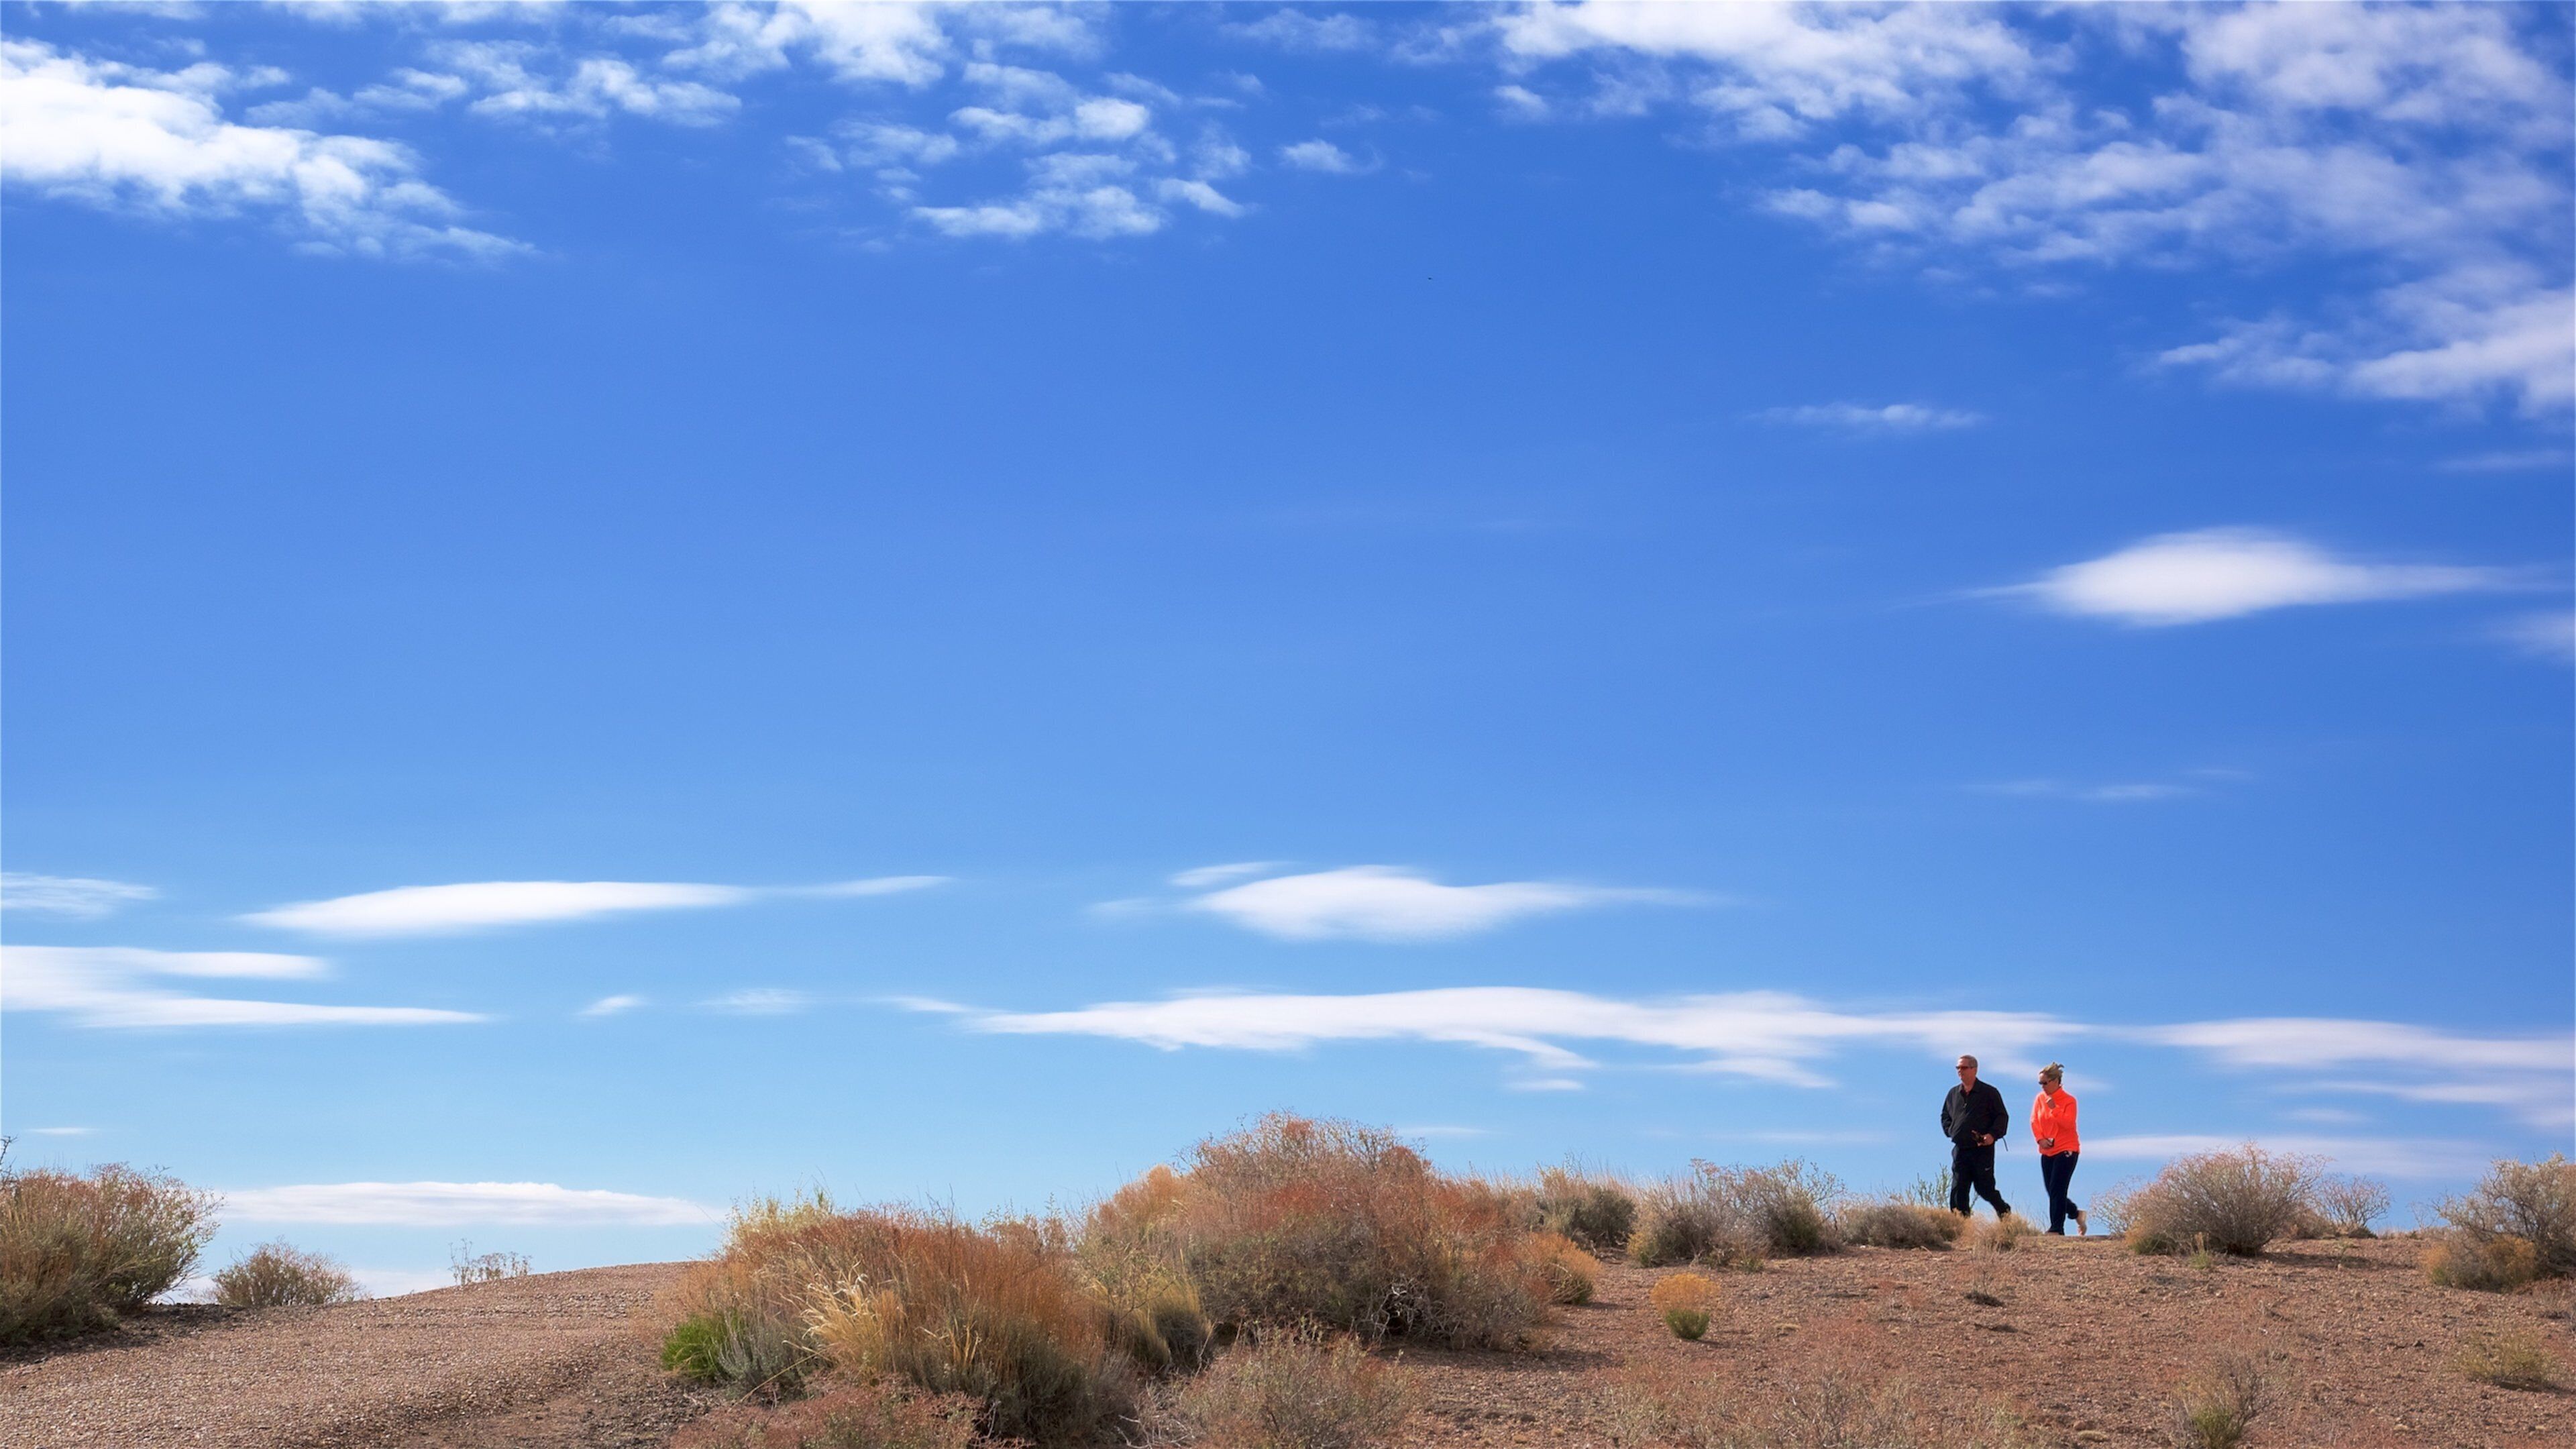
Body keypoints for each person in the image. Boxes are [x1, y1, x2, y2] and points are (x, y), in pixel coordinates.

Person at [1940, 1054, 2012, 1218]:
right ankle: (1961, 1225)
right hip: (1961, 1149)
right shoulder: (1953, 1093)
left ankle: (2004, 1213)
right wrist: (1951, 1131)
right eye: (1958, 1068)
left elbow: (2002, 1117)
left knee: (1984, 1188)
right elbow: (1945, 1116)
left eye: (1964, 1068)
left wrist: (1992, 1135)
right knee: (1958, 1188)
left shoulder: (1989, 1093)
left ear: (1974, 1069)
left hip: (1982, 1150)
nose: (1960, 1071)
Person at [2031, 1062, 2086, 1236]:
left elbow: (2068, 1124)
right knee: (2052, 1191)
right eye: (2040, 1083)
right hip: (2047, 1150)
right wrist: (2040, 1139)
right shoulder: (2040, 1099)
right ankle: (2076, 1213)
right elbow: (2034, 1121)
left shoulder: (2069, 1101)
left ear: (2056, 1081)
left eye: (2045, 1083)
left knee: (2057, 1189)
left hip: (2067, 1149)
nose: (2043, 1087)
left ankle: (2057, 1229)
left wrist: (2054, 1109)